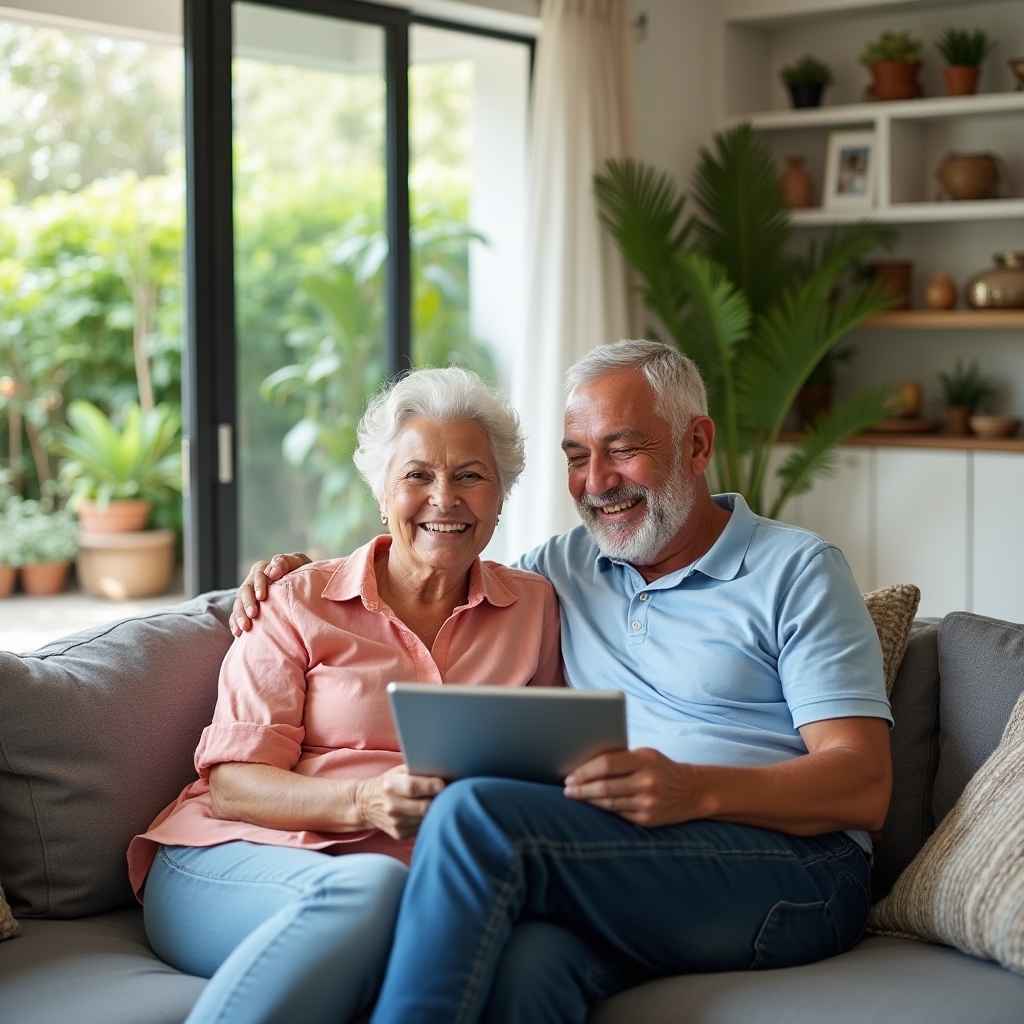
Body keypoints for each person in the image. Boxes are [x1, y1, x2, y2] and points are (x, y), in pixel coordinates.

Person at [232, 340, 893, 1024]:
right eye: (577, 456)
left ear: (697, 445)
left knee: (477, 814)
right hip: (622, 857)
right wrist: (299, 578)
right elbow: (444, 549)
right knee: (525, 971)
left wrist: (693, 788)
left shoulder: (798, 571)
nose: (597, 481)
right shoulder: (564, 568)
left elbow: (864, 785)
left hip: (794, 870)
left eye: (623, 448)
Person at [129, 367, 562, 1024]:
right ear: (382, 492)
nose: (445, 497)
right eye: (417, 475)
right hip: (235, 857)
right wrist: (363, 799)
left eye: (471, 475)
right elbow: (234, 786)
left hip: (419, 887)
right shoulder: (298, 601)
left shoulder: (534, 607)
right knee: (374, 889)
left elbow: (545, 763)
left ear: (500, 495)